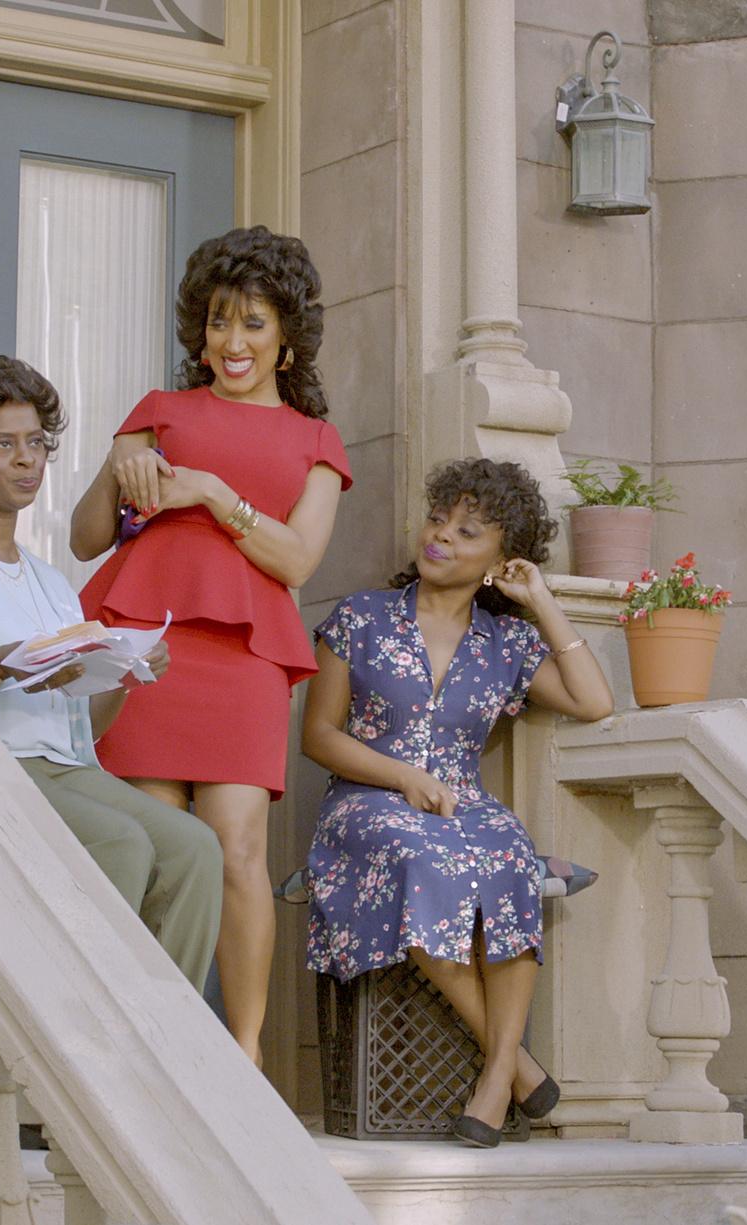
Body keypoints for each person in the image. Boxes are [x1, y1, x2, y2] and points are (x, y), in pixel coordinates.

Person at [69, 226, 350, 1065]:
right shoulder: (158, 413)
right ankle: (151, 1041)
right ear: (200, 328)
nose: (234, 343)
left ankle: (244, 1053)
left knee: (237, 848)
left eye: (255, 323)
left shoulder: (316, 444)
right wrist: (121, 475)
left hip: (245, 659)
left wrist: (213, 493)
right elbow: (87, 539)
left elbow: (297, 559)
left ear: (288, 339)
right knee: (155, 846)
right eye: (221, 321)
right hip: (146, 647)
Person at [300, 459, 615, 1148]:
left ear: (501, 558)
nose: (439, 535)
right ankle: (522, 1070)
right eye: (438, 517)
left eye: (466, 530)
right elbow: (318, 736)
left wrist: (541, 599)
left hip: (465, 806)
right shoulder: (361, 618)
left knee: (510, 856)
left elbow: (595, 701)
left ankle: (499, 1074)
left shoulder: (507, 643)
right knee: (424, 860)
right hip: (368, 804)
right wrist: (401, 777)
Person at [0, 355, 223, 989]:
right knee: (123, 844)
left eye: (36, 443)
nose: (28, 460)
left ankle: (164, 1031)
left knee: (196, 848)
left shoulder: (50, 581)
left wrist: (122, 674)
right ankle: (87, 1028)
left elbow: (84, 724)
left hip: (67, 768)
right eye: (4, 444)